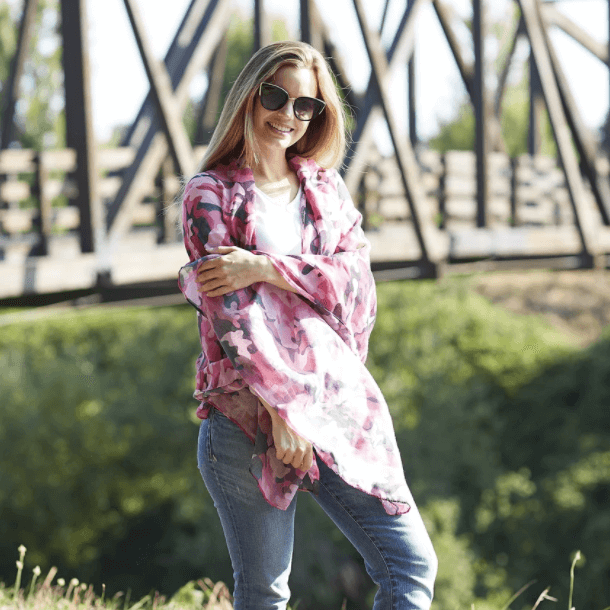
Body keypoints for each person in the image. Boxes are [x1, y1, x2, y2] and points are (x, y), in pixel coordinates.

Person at [178, 41, 437, 610]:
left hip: (332, 404)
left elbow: (357, 284)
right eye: (276, 96)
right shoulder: (210, 194)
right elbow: (231, 315)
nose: (288, 114)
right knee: (266, 592)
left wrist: (264, 267)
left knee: (411, 565)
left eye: (306, 105)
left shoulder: (325, 189)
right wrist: (281, 412)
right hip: (248, 419)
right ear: (250, 95)